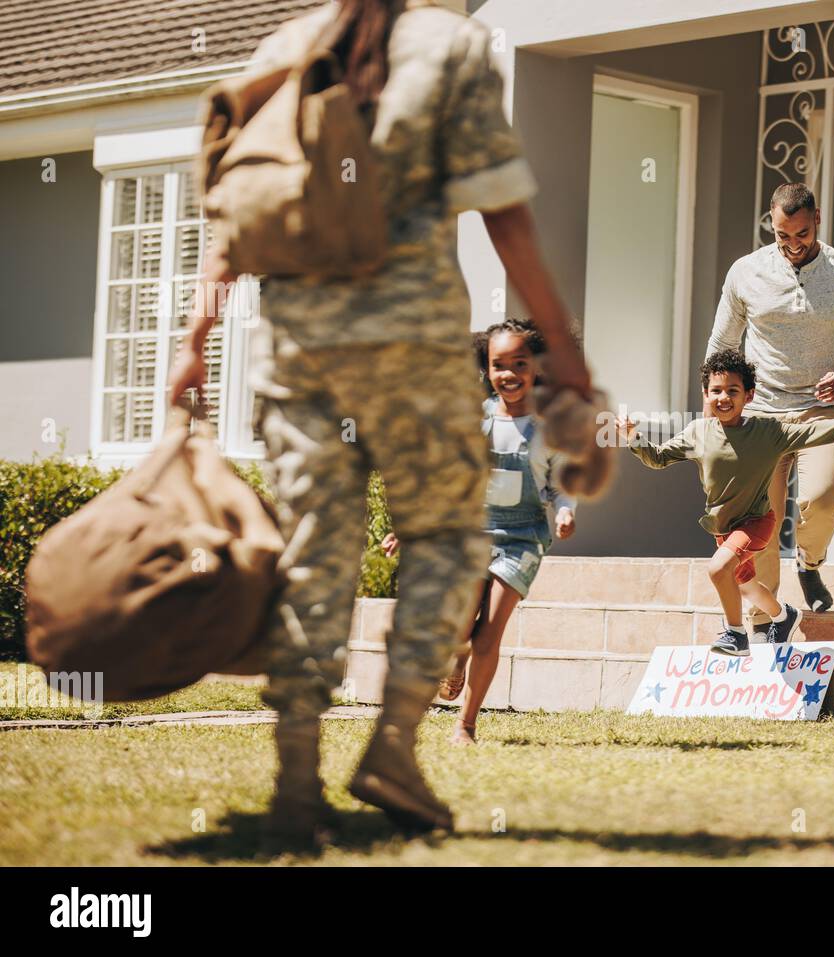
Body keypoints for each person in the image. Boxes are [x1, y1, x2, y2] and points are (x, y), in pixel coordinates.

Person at [169, 0, 592, 845]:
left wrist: (195, 340)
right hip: (415, 354)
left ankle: (296, 778)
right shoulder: (450, 46)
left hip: (297, 353)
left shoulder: (290, 42)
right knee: (449, 543)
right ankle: (393, 746)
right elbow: (505, 218)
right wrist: (570, 361)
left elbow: (234, 212)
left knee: (311, 555)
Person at [382, 319, 576, 746]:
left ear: (538, 367)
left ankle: (465, 725)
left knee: (490, 632)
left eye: (519, 364)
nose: (509, 374)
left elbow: (560, 486)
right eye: (498, 365)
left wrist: (564, 512)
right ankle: (457, 653)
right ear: (486, 369)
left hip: (523, 539)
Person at [707, 182, 834, 624]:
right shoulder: (745, 273)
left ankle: (810, 565)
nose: (791, 245)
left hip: (821, 412)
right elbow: (721, 345)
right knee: (760, 525)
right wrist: (716, 418)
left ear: (818, 220)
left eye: (801, 234)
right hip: (761, 414)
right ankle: (767, 622)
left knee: (823, 499)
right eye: (781, 235)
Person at [618, 350, 834, 656]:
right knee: (747, 586)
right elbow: (658, 458)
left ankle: (736, 635)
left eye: (733, 391)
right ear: (705, 394)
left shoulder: (766, 431)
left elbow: (806, 432)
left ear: (749, 395)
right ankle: (784, 615)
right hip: (723, 529)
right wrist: (633, 436)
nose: (723, 398)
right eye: (716, 391)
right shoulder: (698, 432)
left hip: (756, 522)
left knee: (718, 569)